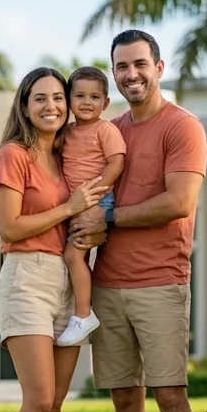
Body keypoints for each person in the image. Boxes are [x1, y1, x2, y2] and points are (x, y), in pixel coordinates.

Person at [69, 30, 207, 412]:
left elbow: (179, 203)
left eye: (139, 64)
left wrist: (110, 221)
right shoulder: (108, 130)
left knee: (170, 394)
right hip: (106, 282)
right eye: (121, 67)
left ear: (159, 67)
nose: (130, 75)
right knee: (124, 396)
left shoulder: (182, 128)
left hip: (161, 281)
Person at [0, 66, 110, 412]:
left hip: (67, 278)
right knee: (37, 400)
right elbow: (10, 227)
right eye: (40, 98)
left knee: (55, 405)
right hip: (26, 277)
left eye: (59, 97)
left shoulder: (65, 157)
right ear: (24, 104)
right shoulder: (11, 155)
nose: (51, 106)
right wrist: (69, 207)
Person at [54, 66, 127, 348]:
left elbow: (117, 163)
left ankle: (84, 314)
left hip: (96, 200)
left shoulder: (105, 129)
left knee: (74, 256)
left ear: (105, 103)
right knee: (75, 257)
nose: (87, 102)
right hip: (75, 202)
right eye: (80, 96)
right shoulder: (67, 132)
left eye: (95, 97)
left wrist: (95, 196)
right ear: (69, 100)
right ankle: (78, 311)